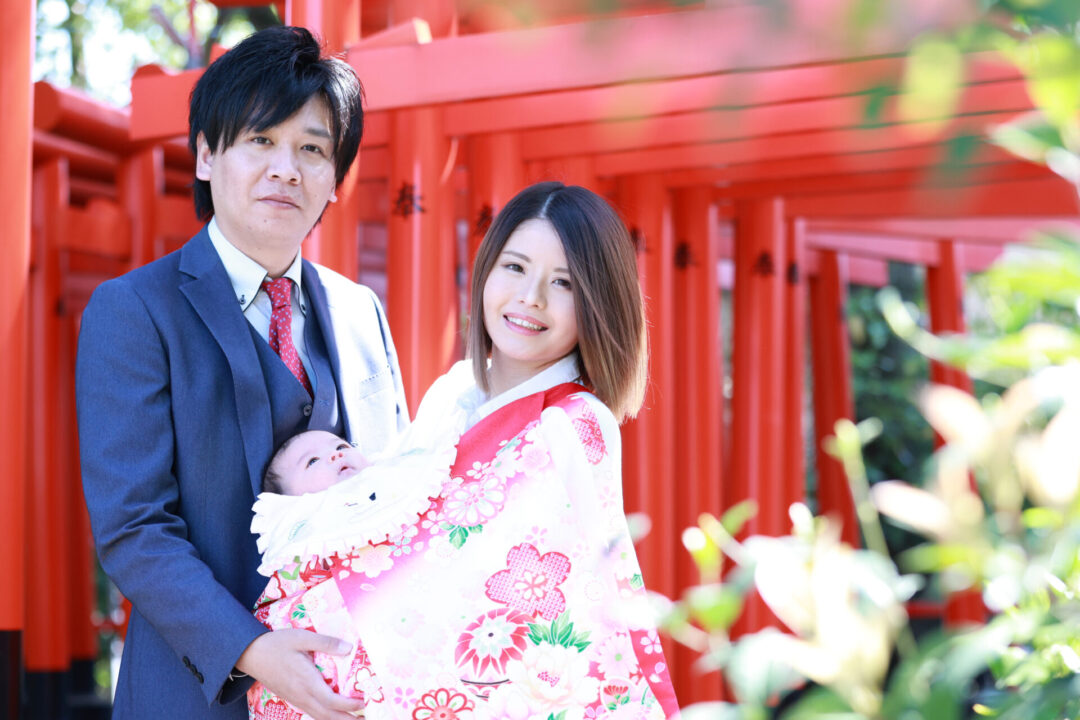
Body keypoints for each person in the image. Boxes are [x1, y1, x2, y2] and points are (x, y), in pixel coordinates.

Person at [246, 182, 680, 720]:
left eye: (564, 282)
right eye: (515, 267)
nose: (531, 298)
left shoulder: (574, 421)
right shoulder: (453, 393)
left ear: (597, 302)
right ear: (486, 271)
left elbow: (574, 596)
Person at [75, 26, 407, 720]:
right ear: (205, 154)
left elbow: (402, 491)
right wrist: (254, 651)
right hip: (190, 696)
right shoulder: (134, 310)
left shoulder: (360, 311)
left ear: (335, 181)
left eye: (312, 149)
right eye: (261, 140)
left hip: (356, 694)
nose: (286, 168)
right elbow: (133, 527)